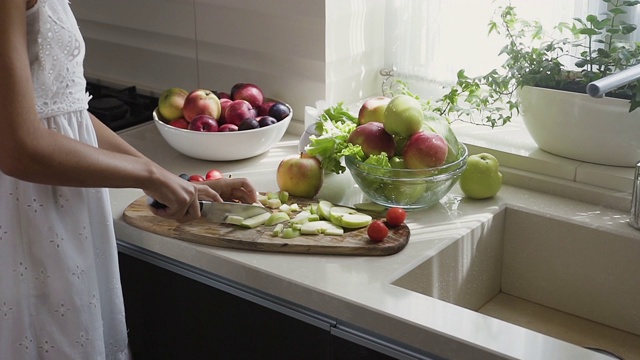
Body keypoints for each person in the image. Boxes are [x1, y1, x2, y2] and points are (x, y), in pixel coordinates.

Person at [0, 0, 258, 358]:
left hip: (59, 220)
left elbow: (62, 110)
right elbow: (19, 147)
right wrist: (150, 175)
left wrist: (165, 178)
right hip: (26, 226)